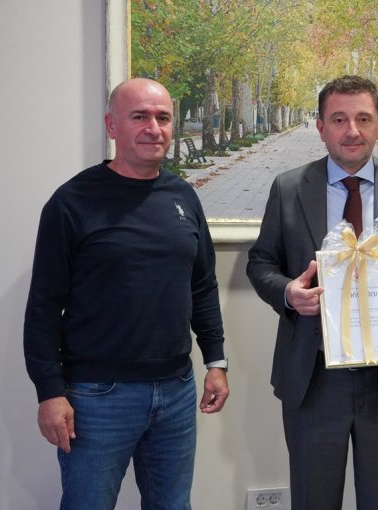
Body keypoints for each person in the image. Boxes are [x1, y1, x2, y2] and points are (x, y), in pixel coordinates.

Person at [247, 75, 378, 510]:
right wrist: (288, 293)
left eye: (363, 118)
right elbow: (260, 263)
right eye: (339, 119)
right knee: (313, 500)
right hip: (312, 378)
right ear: (320, 127)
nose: (352, 130)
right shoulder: (289, 187)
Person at [23, 77, 229, 510]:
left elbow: (202, 284)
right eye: (140, 117)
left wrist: (216, 361)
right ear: (112, 125)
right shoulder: (72, 201)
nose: (154, 128)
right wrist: (49, 391)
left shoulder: (183, 196)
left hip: (176, 389)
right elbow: (43, 305)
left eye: (163, 118)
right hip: (96, 397)